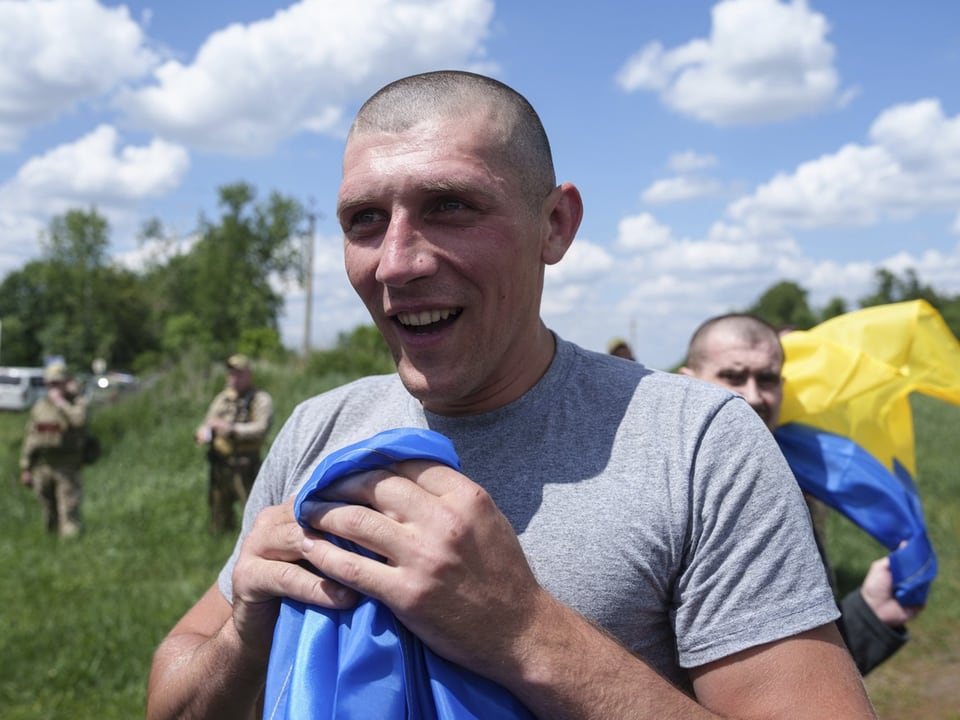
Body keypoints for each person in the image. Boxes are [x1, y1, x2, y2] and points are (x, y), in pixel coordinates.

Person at [147, 71, 876, 719]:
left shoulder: (697, 443)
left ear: (554, 225)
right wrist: (248, 630)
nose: (396, 264)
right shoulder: (320, 429)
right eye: (365, 219)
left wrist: (525, 632)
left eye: (451, 206)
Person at [679, 312, 922, 675]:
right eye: (732, 376)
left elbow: (803, 669)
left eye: (767, 379)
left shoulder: (788, 479)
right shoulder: (664, 492)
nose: (753, 395)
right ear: (687, 382)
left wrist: (872, 613)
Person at [194, 354, 274, 533]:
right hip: (220, 464)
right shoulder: (222, 399)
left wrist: (231, 429)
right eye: (231, 373)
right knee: (218, 511)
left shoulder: (261, 399)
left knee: (255, 514)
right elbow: (208, 422)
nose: (233, 378)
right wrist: (203, 433)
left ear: (249, 375)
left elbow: (261, 428)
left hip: (246, 465)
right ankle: (220, 542)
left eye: (238, 374)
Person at [19, 362, 89, 537]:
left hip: (67, 465)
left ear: (67, 382)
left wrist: (61, 403)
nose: (53, 387)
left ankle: (71, 550)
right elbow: (31, 438)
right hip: (43, 466)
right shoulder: (40, 406)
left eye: (57, 383)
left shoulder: (77, 403)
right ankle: (52, 546)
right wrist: (26, 467)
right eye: (50, 384)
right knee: (49, 511)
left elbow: (79, 422)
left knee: (68, 510)